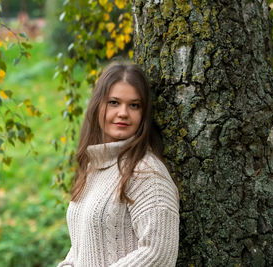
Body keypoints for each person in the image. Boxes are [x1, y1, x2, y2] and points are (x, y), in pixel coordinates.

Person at [57, 62, 180, 267]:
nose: (123, 113)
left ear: (143, 114)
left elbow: (158, 253)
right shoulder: (93, 168)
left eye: (134, 105)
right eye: (114, 102)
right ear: (98, 106)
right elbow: (81, 246)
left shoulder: (147, 173)